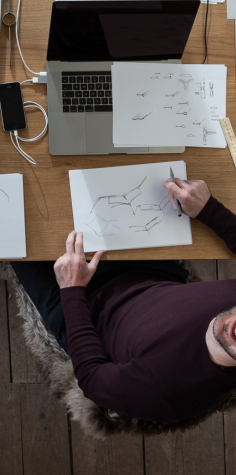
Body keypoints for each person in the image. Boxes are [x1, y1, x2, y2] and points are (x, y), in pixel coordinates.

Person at [12, 177, 236, 423]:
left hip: (84, 306)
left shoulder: (165, 393)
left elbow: (93, 380)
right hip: (150, 272)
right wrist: (209, 209)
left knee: (14, 220)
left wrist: (72, 290)